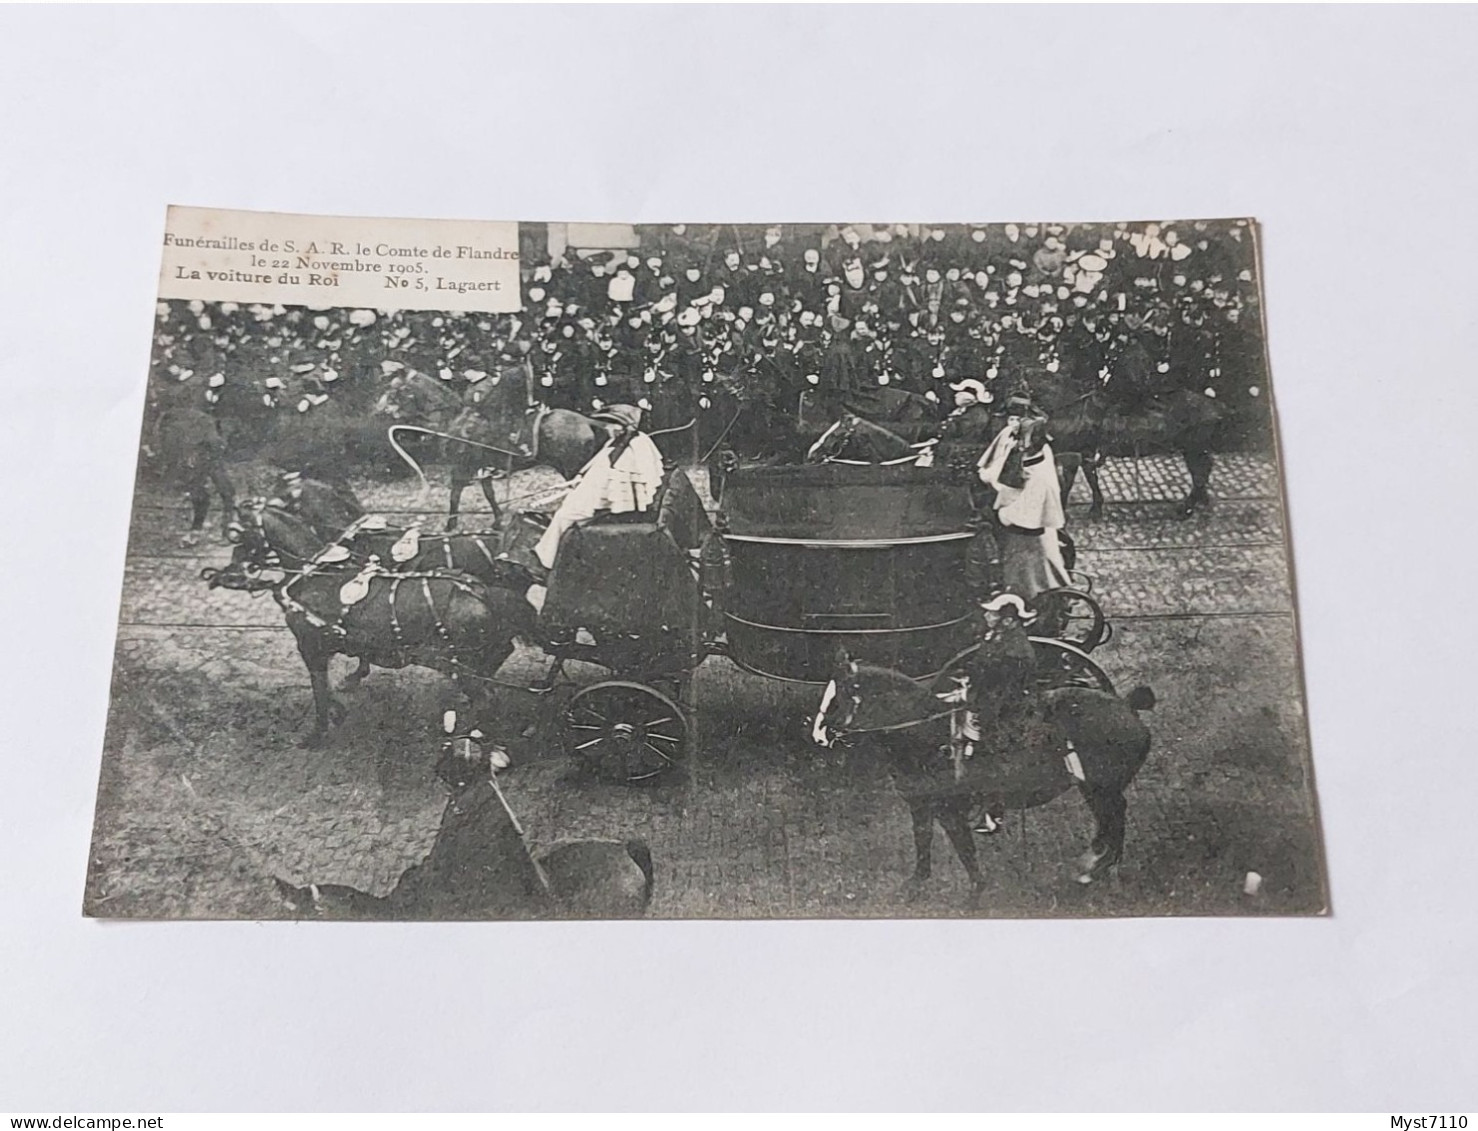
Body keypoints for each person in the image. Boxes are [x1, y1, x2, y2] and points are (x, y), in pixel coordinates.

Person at [533, 403, 666, 572]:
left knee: (562, 516)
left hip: (600, 502)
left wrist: (579, 494)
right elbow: (594, 468)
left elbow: (600, 485)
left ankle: (548, 562)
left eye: (613, 423)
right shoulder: (620, 443)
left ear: (625, 427)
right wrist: (578, 479)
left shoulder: (629, 452)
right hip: (596, 492)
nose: (609, 427)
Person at [976, 392, 1070, 600]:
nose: (1013, 423)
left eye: (1018, 419)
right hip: (1011, 502)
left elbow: (1028, 509)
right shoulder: (1012, 438)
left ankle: (1039, 602)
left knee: (1033, 570)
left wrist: (1000, 512)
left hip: (1027, 527)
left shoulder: (1039, 470)